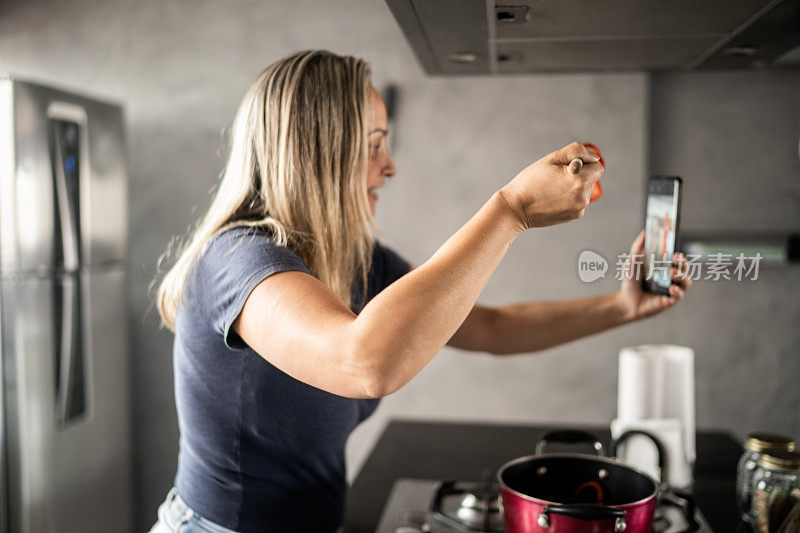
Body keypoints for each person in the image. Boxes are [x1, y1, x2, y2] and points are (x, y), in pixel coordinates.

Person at [150, 50, 692, 533]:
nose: (389, 166)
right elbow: (364, 364)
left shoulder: (357, 261)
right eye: (373, 146)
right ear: (317, 155)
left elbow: (488, 327)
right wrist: (511, 211)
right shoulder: (237, 258)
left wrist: (621, 306)